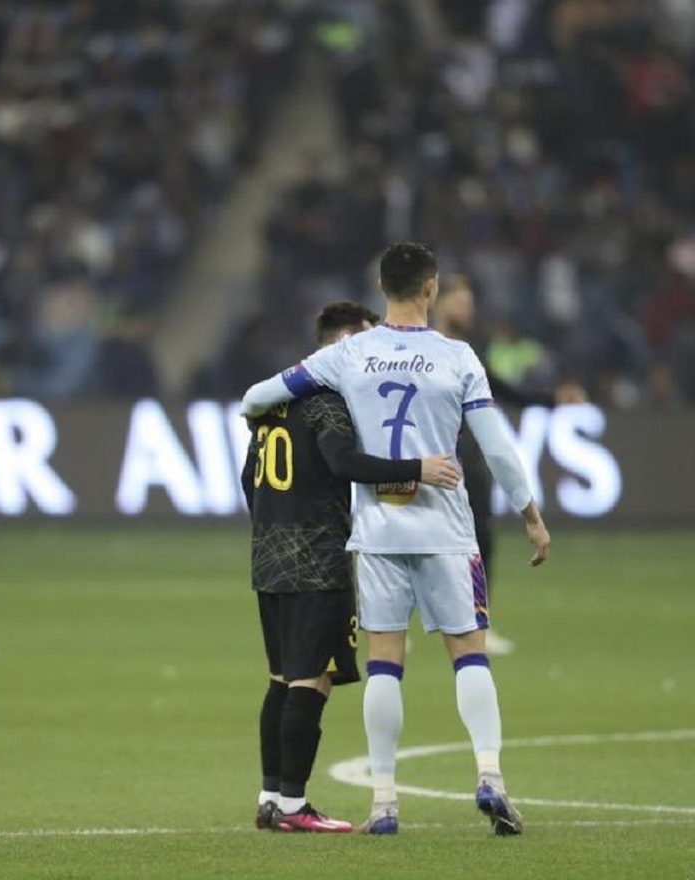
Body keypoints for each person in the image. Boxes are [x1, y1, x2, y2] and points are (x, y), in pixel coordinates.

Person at [241, 243, 551, 836]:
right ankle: (491, 777)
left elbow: (259, 397)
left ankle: (383, 802)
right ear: (431, 289)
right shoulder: (457, 357)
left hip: (378, 533)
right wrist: (530, 514)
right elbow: (497, 449)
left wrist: (259, 420)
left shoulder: (349, 354)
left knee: (385, 665)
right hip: (446, 531)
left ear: (383, 287)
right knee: (469, 653)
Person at [243, 301, 463, 834]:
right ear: (345, 343)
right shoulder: (327, 400)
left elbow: (250, 476)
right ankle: (294, 805)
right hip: (317, 561)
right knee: (310, 681)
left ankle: (271, 796)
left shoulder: (274, 401)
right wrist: (418, 469)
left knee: (279, 679)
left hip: (269, 556)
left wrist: (275, 525)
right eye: (366, 342)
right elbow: (343, 462)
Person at [434, 276, 585, 655]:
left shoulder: (468, 350)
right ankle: (403, 624)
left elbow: (501, 389)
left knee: (480, 537)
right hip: (428, 456)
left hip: (467, 453)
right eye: (461, 301)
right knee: (419, 539)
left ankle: (476, 620)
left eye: (470, 302)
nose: (467, 309)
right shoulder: (425, 346)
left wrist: (552, 399)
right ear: (438, 301)